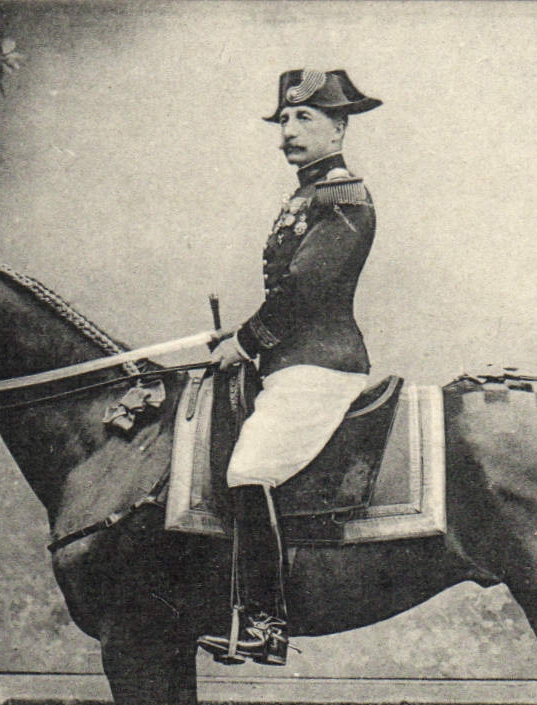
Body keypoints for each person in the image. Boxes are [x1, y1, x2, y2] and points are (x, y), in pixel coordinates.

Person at [197, 68, 381, 665]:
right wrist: (247, 337)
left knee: (249, 470)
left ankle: (266, 623)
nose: (289, 131)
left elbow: (304, 291)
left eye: (305, 118)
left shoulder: (344, 197)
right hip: (289, 361)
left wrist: (247, 341)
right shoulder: (307, 194)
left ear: (340, 127)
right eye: (284, 119)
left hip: (320, 366)